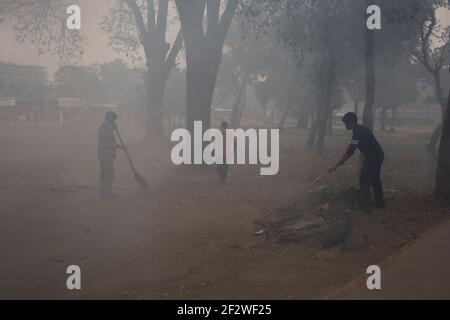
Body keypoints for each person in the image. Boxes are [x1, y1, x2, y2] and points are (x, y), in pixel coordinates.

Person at [329, 112, 385, 211]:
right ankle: (379, 203)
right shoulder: (359, 129)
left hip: (374, 157)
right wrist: (339, 163)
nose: (345, 125)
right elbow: (351, 150)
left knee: (364, 180)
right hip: (374, 156)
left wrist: (338, 164)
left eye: (346, 123)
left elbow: (350, 150)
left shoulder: (358, 132)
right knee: (374, 179)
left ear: (351, 122)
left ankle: (365, 207)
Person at [97, 111, 126, 198]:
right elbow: (109, 142)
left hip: (104, 153)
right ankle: (107, 193)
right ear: (109, 119)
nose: (114, 122)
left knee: (104, 174)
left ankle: (102, 193)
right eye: (113, 120)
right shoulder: (105, 129)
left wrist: (112, 128)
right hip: (105, 154)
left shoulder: (104, 127)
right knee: (109, 174)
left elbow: (109, 138)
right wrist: (121, 147)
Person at [218, 121, 229, 185]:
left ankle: (222, 179)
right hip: (219, 154)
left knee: (224, 168)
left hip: (226, 154)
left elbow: (234, 144)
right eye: (223, 128)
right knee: (220, 167)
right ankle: (222, 179)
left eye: (224, 128)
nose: (223, 129)